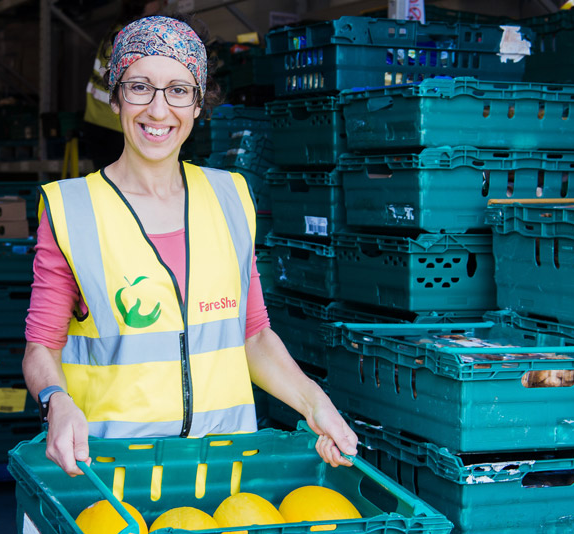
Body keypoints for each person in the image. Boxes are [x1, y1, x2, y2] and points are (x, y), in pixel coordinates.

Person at [23, 14, 358, 476]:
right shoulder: (70, 209)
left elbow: (254, 334)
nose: (159, 111)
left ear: (198, 104)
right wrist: (54, 400)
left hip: (223, 469)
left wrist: (313, 403)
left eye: (179, 90)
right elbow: (41, 345)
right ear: (116, 95)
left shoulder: (231, 197)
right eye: (140, 86)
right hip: (113, 473)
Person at [82, 0, 166, 169]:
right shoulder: (131, 36)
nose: (163, 4)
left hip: (97, 120)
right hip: (115, 125)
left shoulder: (117, 31)